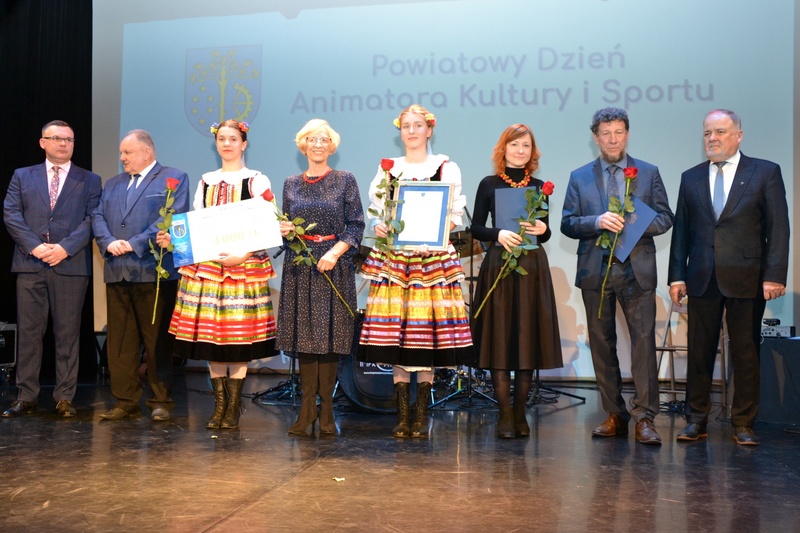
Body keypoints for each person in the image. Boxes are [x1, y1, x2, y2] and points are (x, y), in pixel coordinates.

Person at [668, 109, 789, 446]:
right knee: (699, 351)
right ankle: (696, 419)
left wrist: (774, 275)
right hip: (702, 276)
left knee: (746, 352)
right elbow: (681, 231)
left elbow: (779, 228)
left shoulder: (764, 172)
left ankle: (743, 422)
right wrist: (677, 276)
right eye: (707, 132)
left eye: (720, 131)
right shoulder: (691, 177)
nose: (712, 138)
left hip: (748, 277)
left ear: (738, 135)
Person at [359, 104, 473, 439]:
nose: (412, 131)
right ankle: (403, 416)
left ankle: (421, 416)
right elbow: (378, 213)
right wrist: (380, 227)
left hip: (431, 261)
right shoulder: (388, 170)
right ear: (400, 131)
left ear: (429, 130)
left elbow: (452, 214)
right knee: (397, 336)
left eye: (418, 125)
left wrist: (435, 237)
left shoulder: (446, 168)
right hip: (396, 262)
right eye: (406, 125)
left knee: (426, 337)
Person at [561, 107, 673, 445]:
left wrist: (634, 224)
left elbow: (665, 217)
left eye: (619, 132)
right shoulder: (579, 176)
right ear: (596, 138)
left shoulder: (648, 173)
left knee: (643, 345)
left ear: (627, 134)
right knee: (602, 344)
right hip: (596, 271)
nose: (613, 139)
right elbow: (567, 223)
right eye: (606, 133)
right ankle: (614, 414)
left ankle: (645, 418)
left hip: (637, 270)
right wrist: (596, 222)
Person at [159, 119, 277, 430]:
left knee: (237, 338)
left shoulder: (256, 180)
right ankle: (219, 406)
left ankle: (233, 408)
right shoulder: (207, 181)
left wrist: (243, 255)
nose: (227, 144)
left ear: (244, 143)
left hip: (243, 266)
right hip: (210, 266)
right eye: (222, 138)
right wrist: (176, 241)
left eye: (233, 139)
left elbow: (267, 223)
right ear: (216, 143)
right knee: (214, 337)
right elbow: (199, 224)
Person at [1, 120, 102, 418]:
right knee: (29, 332)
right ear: (43, 142)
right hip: (30, 263)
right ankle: (26, 396)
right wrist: (35, 247)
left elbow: (93, 219)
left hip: (70, 264)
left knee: (68, 334)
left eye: (69, 140)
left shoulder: (90, 180)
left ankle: (65, 397)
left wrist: (64, 248)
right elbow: (11, 213)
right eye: (57, 138)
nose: (63, 144)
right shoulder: (23, 176)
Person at [470, 124, 563, 438]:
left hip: (531, 266)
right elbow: (476, 228)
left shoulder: (539, 186)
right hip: (499, 263)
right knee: (499, 337)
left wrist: (543, 229)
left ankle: (521, 412)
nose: (520, 150)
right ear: (504, 148)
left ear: (532, 151)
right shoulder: (488, 184)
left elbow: (544, 232)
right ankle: (505, 414)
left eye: (526, 145)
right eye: (515, 144)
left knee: (526, 337)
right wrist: (498, 234)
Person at [92, 129, 190, 422]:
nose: (122, 158)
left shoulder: (174, 178)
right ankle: (125, 400)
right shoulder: (112, 184)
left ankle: (160, 400)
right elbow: (97, 216)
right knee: (120, 342)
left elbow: (169, 218)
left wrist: (133, 244)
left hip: (153, 272)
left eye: (127, 152)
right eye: (121, 153)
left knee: (156, 340)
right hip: (117, 270)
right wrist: (108, 242)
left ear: (146, 153)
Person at [278, 119, 365, 436]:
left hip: (334, 265)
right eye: (312, 139)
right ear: (303, 145)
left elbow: (356, 225)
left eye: (324, 139)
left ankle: (327, 409)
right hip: (300, 267)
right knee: (305, 339)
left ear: (332, 146)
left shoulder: (345, 180)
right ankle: (307, 410)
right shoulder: (290, 183)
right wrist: (284, 230)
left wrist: (334, 253)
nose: (318, 144)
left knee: (330, 338)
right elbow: (287, 232)